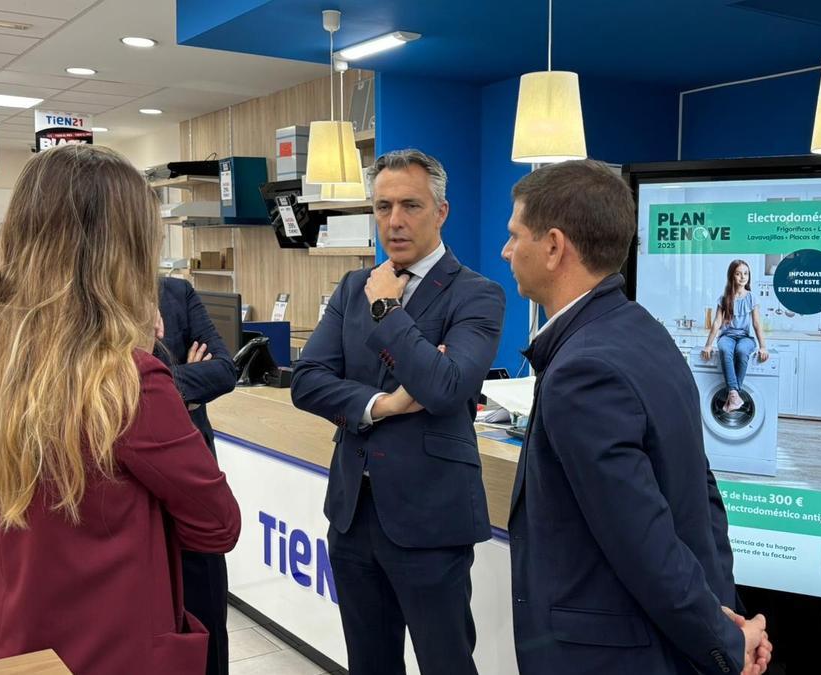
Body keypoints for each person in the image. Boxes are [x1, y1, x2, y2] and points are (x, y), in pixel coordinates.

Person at [0, 145, 241, 674]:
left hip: (16, 641)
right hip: (112, 648)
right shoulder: (128, 380)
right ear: (124, 249)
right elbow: (218, 525)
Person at [501, 160, 772, 675]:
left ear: (555, 246)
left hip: (608, 656)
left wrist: (724, 640)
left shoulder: (583, 371)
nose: (507, 251)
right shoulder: (642, 329)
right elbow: (700, 495)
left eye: (516, 236)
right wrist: (726, 615)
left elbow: (643, 542)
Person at [291, 149, 505, 675]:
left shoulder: (477, 294)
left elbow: (446, 388)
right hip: (352, 514)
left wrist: (388, 309)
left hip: (432, 517)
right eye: (383, 206)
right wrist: (381, 403)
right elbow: (309, 381)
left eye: (410, 205)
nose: (394, 221)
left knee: (446, 662)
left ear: (441, 211)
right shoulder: (350, 288)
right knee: (368, 663)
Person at [155, 276, 239, 675]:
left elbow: (224, 370)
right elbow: (102, 387)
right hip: (135, 495)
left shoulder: (174, 293)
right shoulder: (86, 292)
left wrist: (159, 383)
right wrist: (179, 383)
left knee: (206, 624)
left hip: (194, 493)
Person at [701, 259, 769, 413]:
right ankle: (734, 395)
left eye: (745, 273)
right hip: (727, 336)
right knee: (725, 349)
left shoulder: (752, 298)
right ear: (732, 276)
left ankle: (732, 395)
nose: (742, 277)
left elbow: (757, 324)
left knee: (742, 351)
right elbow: (717, 323)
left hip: (745, 337)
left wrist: (763, 347)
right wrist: (708, 345)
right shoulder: (724, 298)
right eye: (738, 274)